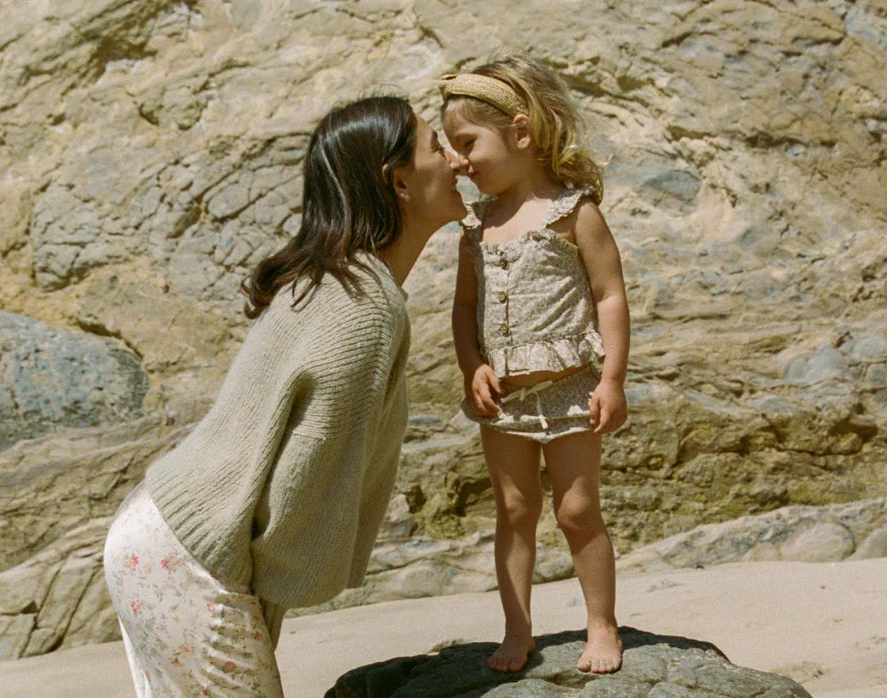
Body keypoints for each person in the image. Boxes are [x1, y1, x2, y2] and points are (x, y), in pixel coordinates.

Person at [103, 95, 466, 697]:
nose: (455, 160)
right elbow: (308, 472)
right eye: (436, 146)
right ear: (398, 181)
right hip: (190, 556)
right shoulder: (365, 308)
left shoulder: (344, 280)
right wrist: (283, 585)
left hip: (168, 537)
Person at [440, 56, 631, 674]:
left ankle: (602, 626)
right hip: (506, 402)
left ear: (521, 134)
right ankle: (517, 629)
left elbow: (610, 296)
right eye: (449, 147)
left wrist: (613, 379)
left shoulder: (574, 213)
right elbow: (465, 307)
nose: (458, 161)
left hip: (573, 389)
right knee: (515, 513)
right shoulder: (477, 227)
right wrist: (472, 367)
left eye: (468, 143)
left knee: (577, 511)